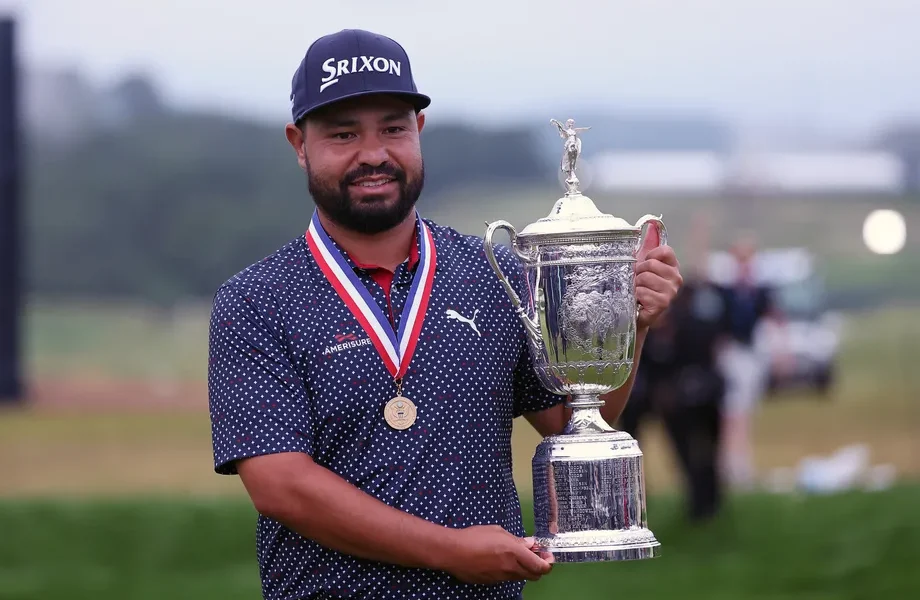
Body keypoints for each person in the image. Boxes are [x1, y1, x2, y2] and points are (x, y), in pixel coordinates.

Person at [207, 28, 683, 600]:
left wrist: (627, 328)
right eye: (342, 134)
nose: (374, 154)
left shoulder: (497, 274)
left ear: (419, 131)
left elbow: (575, 419)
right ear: (298, 143)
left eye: (393, 128)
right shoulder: (256, 301)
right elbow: (282, 487)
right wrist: (451, 551)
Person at [714, 236, 774, 490]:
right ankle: (731, 466)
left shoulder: (758, 292)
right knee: (732, 413)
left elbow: (768, 319)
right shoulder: (726, 292)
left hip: (751, 355)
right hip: (732, 355)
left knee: (743, 413)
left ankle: (740, 464)